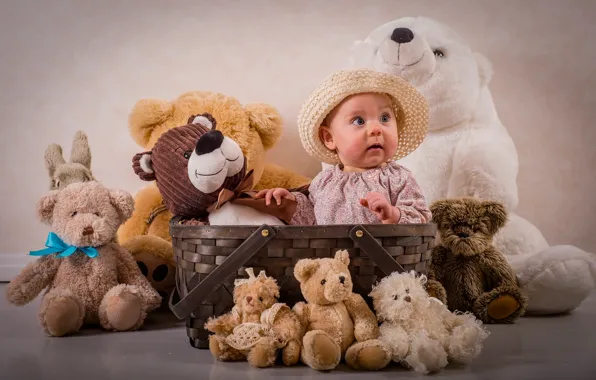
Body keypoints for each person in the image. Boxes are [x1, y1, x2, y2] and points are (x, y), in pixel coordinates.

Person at [256, 68, 432, 225]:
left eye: (384, 118)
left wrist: (393, 214)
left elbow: (421, 215)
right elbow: (312, 220)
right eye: (359, 121)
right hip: (329, 259)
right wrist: (291, 202)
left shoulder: (399, 178)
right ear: (329, 138)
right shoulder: (323, 182)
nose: (376, 129)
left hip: (379, 258)